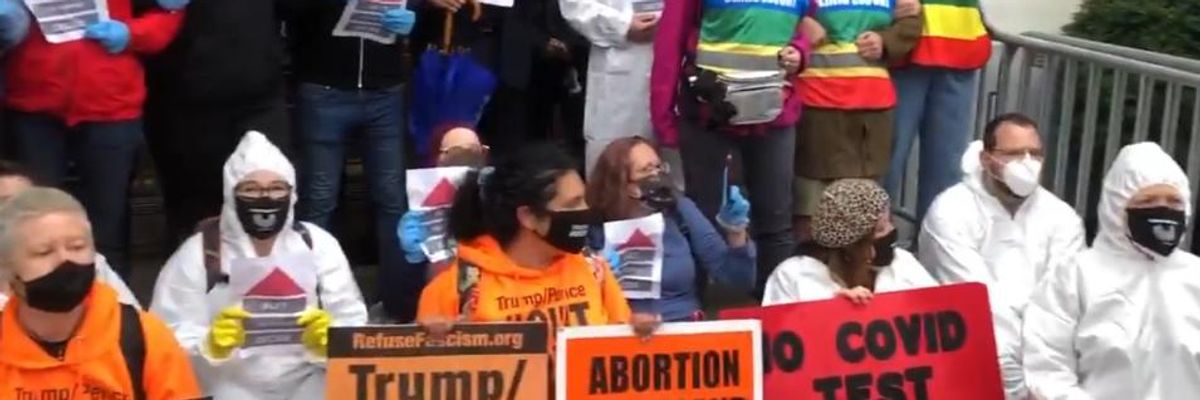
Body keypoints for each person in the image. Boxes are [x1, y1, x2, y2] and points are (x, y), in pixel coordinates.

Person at [150, 131, 368, 399]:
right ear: (231, 194)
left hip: (308, 378)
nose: (265, 198)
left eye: (277, 188)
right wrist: (208, 346)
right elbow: (164, 337)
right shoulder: (200, 253)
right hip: (229, 383)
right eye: (251, 189)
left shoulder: (318, 245)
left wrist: (332, 342)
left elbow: (352, 320)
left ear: (292, 193)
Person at [4, 0, 183, 278]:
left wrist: (132, 34)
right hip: (33, 103)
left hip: (110, 103)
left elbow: (169, 12)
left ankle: (113, 299)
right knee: (28, 220)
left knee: (107, 226)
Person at [417, 142, 657, 343]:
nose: (585, 210)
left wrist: (637, 333)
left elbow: (616, 353)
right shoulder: (456, 288)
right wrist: (434, 343)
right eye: (572, 204)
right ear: (528, 217)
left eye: (583, 200)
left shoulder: (594, 270)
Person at [919, 113, 1085, 399]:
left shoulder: (1061, 217)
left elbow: (1061, 302)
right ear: (986, 159)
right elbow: (976, 302)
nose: (1027, 164)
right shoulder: (950, 211)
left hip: (1043, 360)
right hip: (964, 350)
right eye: (1012, 154)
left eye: (1034, 154)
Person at [650, 0, 808, 297]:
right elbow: (669, 45)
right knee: (700, 219)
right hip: (708, 114)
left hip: (773, 113)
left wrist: (799, 52)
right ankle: (690, 309)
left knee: (776, 221)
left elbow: (800, 28)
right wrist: (664, 120)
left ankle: (778, 309)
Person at [1023, 142, 1200, 399]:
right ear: (1116, 207)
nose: (1163, 210)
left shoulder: (1195, 276)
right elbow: (1047, 369)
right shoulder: (1075, 276)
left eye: (1174, 201)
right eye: (1147, 200)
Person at [0, 187, 200, 399]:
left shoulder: (144, 336)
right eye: (44, 252)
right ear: (8, 271)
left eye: (77, 247)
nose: (65, 261)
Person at [287, 0, 415, 323]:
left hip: (385, 88)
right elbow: (287, 10)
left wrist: (414, 16)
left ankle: (398, 306)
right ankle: (310, 304)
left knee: (393, 198)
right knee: (319, 199)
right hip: (324, 86)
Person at [142, 0, 295, 249]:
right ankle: (193, 271)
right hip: (184, 102)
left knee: (269, 195)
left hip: (260, 96)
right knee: (195, 212)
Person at [791, 0, 922, 240]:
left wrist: (886, 41)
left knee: (868, 214)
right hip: (816, 108)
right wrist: (798, 22)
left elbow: (910, 22)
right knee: (810, 212)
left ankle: (861, 262)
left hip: (872, 112)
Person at [587, 137, 755, 321]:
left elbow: (739, 279)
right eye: (646, 170)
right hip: (621, 329)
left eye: (659, 167)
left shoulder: (680, 210)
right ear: (625, 185)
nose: (657, 175)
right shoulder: (596, 227)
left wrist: (736, 231)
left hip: (683, 325)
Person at [883, 0, 991, 222]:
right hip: (905, 47)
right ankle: (872, 240)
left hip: (958, 45)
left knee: (946, 168)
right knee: (886, 159)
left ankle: (936, 239)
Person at [763, 179, 936, 305]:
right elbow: (777, 336)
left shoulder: (903, 264)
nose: (891, 230)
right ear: (852, 246)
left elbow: (939, 314)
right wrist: (835, 312)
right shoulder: (793, 277)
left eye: (890, 221)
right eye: (880, 230)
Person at [0, 161, 139, 308]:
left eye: (28, 203)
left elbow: (131, 316)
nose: (64, 259)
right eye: (5, 204)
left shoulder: (83, 262)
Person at [559, 0, 669, 182]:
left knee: (674, 168)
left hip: (675, 55)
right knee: (615, 167)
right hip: (621, 64)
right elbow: (574, 4)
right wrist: (622, 25)